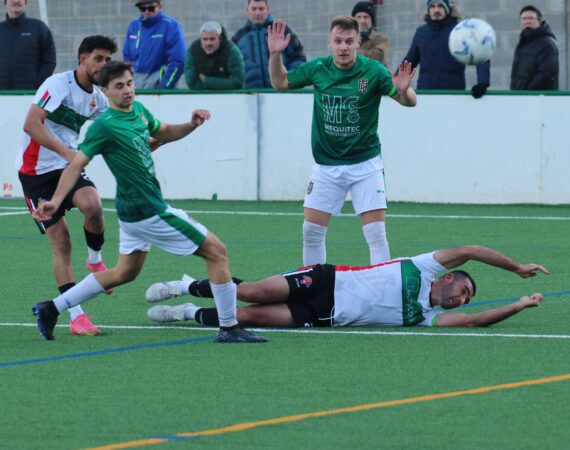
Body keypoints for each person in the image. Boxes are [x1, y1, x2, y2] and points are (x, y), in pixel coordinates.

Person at [31, 61, 267, 344]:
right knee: (217, 251)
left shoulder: (139, 111)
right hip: (147, 210)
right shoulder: (104, 127)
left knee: (123, 273)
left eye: (129, 83)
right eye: (118, 86)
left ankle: (51, 308)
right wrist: (56, 201)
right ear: (104, 91)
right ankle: (229, 327)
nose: (127, 90)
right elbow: (75, 165)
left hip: (133, 213)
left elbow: (164, 131)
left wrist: (191, 124)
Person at [268, 16, 417, 266]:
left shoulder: (373, 71)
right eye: (338, 41)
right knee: (311, 233)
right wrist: (275, 55)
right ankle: (312, 291)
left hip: (365, 165)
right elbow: (279, 82)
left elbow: (409, 102)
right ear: (329, 42)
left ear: (358, 42)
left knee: (376, 235)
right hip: (326, 165)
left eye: (349, 41)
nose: (344, 47)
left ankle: (383, 295)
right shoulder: (318, 68)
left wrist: (404, 91)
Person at [146, 245, 548, 329]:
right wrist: (516, 267)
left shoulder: (427, 317)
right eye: (462, 289)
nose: (462, 298)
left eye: (465, 299)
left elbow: (475, 322)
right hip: (326, 279)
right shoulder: (425, 267)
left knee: (248, 316)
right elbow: (473, 250)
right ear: (447, 277)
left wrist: (519, 305)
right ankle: (186, 285)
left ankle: (183, 313)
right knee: (249, 291)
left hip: (323, 316)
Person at [15, 35, 118, 337]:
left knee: (94, 207)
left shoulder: (98, 99)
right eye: (98, 58)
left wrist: (149, 140)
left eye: (108, 60)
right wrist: (67, 152)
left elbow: (112, 131)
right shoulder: (57, 84)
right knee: (61, 244)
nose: (103, 65)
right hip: (36, 174)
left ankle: (96, 262)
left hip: (66, 167)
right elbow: (31, 124)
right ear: (82, 58)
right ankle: (76, 316)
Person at [403, 0, 490, 99]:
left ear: (448, 9)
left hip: (453, 94)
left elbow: (480, 55)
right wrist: (392, 84)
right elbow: (409, 62)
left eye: (440, 6)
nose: (436, 10)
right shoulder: (421, 32)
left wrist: (482, 84)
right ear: (428, 10)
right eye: (432, 6)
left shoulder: (460, 31)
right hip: (425, 93)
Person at [232, 0, 306, 88]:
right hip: (250, 95)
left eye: (261, 9)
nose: (257, 13)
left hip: (283, 92)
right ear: (247, 10)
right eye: (254, 9)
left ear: (268, 9)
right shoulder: (238, 37)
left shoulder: (281, 30)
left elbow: (299, 57)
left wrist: (289, 80)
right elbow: (233, 67)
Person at [123, 0, 185, 90]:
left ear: (160, 7)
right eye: (142, 9)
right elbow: (127, 58)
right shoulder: (133, 25)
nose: (146, 12)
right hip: (136, 82)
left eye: (151, 8)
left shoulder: (170, 25)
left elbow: (178, 61)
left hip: (159, 81)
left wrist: (165, 87)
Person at [0, 0, 56, 89]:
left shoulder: (39, 28)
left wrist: (38, 85)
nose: (16, 1)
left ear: (25, 2)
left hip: (30, 95)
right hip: (2, 95)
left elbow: (49, 60)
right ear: (5, 2)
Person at [184, 20, 245, 90]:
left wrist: (207, 80)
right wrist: (225, 82)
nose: (208, 43)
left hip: (229, 97)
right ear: (200, 39)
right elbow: (191, 83)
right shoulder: (193, 50)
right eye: (205, 39)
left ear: (220, 39)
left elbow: (238, 82)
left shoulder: (231, 51)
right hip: (202, 98)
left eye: (212, 39)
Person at [510, 5, 558, 91]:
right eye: (524, 18)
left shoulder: (547, 43)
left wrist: (526, 93)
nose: (527, 21)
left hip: (539, 99)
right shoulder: (522, 43)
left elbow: (545, 74)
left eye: (531, 18)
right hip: (520, 98)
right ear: (520, 23)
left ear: (539, 22)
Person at [351, 1, 389, 66]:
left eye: (366, 17)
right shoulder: (349, 39)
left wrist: (351, 53)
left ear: (372, 21)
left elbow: (378, 56)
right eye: (359, 17)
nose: (362, 21)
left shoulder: (380, 39)